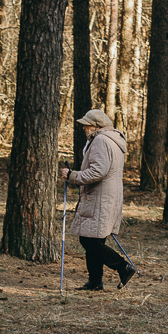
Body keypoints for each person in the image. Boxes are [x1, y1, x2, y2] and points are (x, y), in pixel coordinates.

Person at [60, 109, 137, 291]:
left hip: (100, 196)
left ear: (96, 126)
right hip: (106, 195)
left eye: (87, 125)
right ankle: (95, 281)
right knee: (95, 239)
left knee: (89, 240)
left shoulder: (101, 140)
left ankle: (122, 267)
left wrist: (72, 175)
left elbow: (98, 171)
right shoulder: (110, 139)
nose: (84, 128)